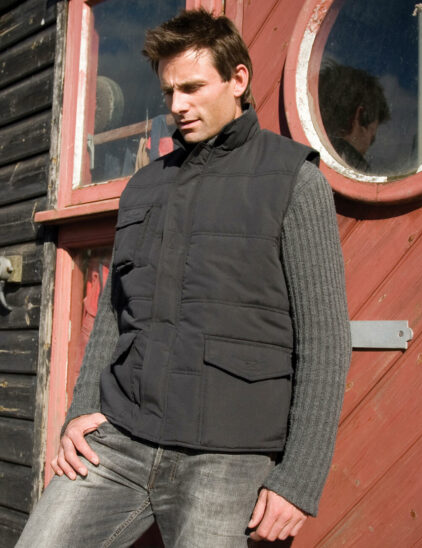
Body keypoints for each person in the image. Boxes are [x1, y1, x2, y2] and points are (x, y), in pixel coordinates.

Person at [17, 9, 351, 547]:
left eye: (192, 87)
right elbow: (114, 313)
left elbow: (325, 340)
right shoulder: (145, 187)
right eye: (169, 91)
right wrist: (81, 410)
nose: (176, 105)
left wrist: (298, 480)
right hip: (121, 438)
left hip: (229, 453)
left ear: (237, 79)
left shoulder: (293, 179)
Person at [318, 60, 390, 172]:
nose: (367, 149)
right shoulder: (357, 170)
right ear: (360, 116)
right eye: (372, 140)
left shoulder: (300, 156)